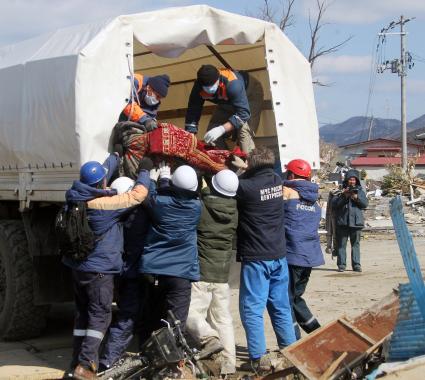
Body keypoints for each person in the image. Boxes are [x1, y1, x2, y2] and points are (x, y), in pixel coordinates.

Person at [62, 155, 151, 380]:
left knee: (83, 315)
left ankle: (76, 361)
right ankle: (85, 366)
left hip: (79, 268)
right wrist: (144, 171)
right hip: (99, 271)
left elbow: (99, 174)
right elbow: (137, 195)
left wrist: (114, 157)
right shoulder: (105, 206)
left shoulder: (74, 198)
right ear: (102, 183)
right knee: (100, 317)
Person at [237, 147, 296, 374]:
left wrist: (238, 168)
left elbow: (231, 184)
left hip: (256, 257)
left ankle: (258, 357)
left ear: (251, 164)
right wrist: (248, 166)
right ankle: (289, 352)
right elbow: (260, 172)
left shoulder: (247, 188)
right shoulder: (276, 180)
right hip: (278, 255)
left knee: (252, 308)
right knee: (280, 306)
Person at [138, 163, 202, 343]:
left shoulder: (159, 203)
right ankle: (171, 364)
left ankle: (146, 356)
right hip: (181, 273)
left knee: (150, 317)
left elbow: (150, 196)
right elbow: (172, 196)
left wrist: (157, 178)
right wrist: (166, 181)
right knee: (175, 324)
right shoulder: (196, 207)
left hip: (153, 269)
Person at [185, 169, 239, 376]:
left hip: (201, 272)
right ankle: (229, 364)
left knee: (190, 314)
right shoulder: (235, 211)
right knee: (223, 319)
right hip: (222, 274)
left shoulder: (202, 206)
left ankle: (209, 339)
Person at [98, 177, 151, 372]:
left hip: (123, 272)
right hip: (135, 273)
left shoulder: (113, 215)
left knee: (131, 315)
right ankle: (107, 362)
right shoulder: (138, 216)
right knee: (129, 317)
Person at [283, 159, 324, 340]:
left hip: (293, 257)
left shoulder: (287, 193)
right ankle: (317, 334)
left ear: (291, 175)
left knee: (286, 300)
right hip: (309, 257)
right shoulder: (314, 201)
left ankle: (293, 341)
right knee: (296, 298)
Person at [185, 64, 264, 153]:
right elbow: (193, 110)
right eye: (206, 87)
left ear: (219, 79)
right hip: (226, 100)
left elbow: (243, 113)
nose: (210, 89)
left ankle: (250, 165)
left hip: (249, 92)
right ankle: (225, 163)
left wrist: (221, 129)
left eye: (212, 85)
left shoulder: (233, 83)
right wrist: (190, 135)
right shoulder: (198, 87)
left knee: (244, 132)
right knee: (212, 133)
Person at [332, 169, 368, 272]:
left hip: (356, 223)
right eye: (350, 179)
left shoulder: (360, 191)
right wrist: (344, 196)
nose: (352, 181)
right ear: (346, 180)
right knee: (341, 245)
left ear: (356, 181)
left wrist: (356, 198)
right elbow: (334, 205)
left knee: (355, 245)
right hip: (343, 223)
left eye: (354, 180)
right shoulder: (340, 191)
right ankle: (341, 265)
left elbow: (365, 204)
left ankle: (356, 265)